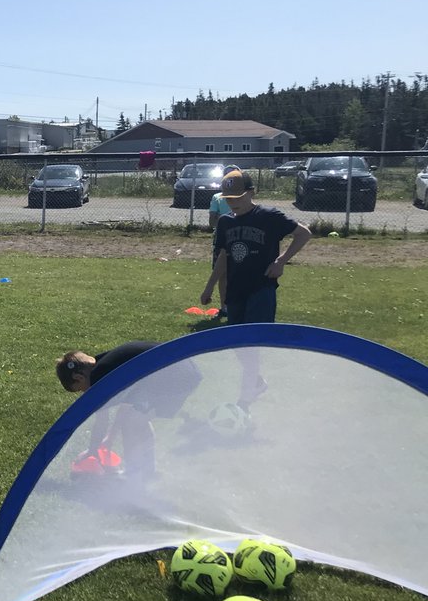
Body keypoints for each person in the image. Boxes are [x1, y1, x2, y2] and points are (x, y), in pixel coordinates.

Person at [201, 169, 312, 407]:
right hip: (235, 291)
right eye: (228, 199)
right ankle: (256, 381)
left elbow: (303, 234)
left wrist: (280, 261)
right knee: (236, 343)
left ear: (252, 193)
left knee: (252, 344)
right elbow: (224, 256)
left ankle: (245, 398)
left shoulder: (269, 216)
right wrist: (210, 286)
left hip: (261, 289)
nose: (233, 203)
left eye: (238, 197)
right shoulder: (225, 222)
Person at [55, 341, 201, 477]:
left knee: (132, 423)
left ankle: (133, 475)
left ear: (79, 377)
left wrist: (93, 449)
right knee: (137, 418)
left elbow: (102, 420)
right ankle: (148, 471)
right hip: (181, 368)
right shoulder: (102, 363)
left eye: (81, 390)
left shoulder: (99, 377)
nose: (85, 393)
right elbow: (127, 406)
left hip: (176, 376)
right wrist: (109, 439)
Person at [207, 164, 240, 320]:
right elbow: (212, 221)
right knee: (222, 273)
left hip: (241, 238)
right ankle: (224, 307)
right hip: (222, 239)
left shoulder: (244, 196)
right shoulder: (217, 198)